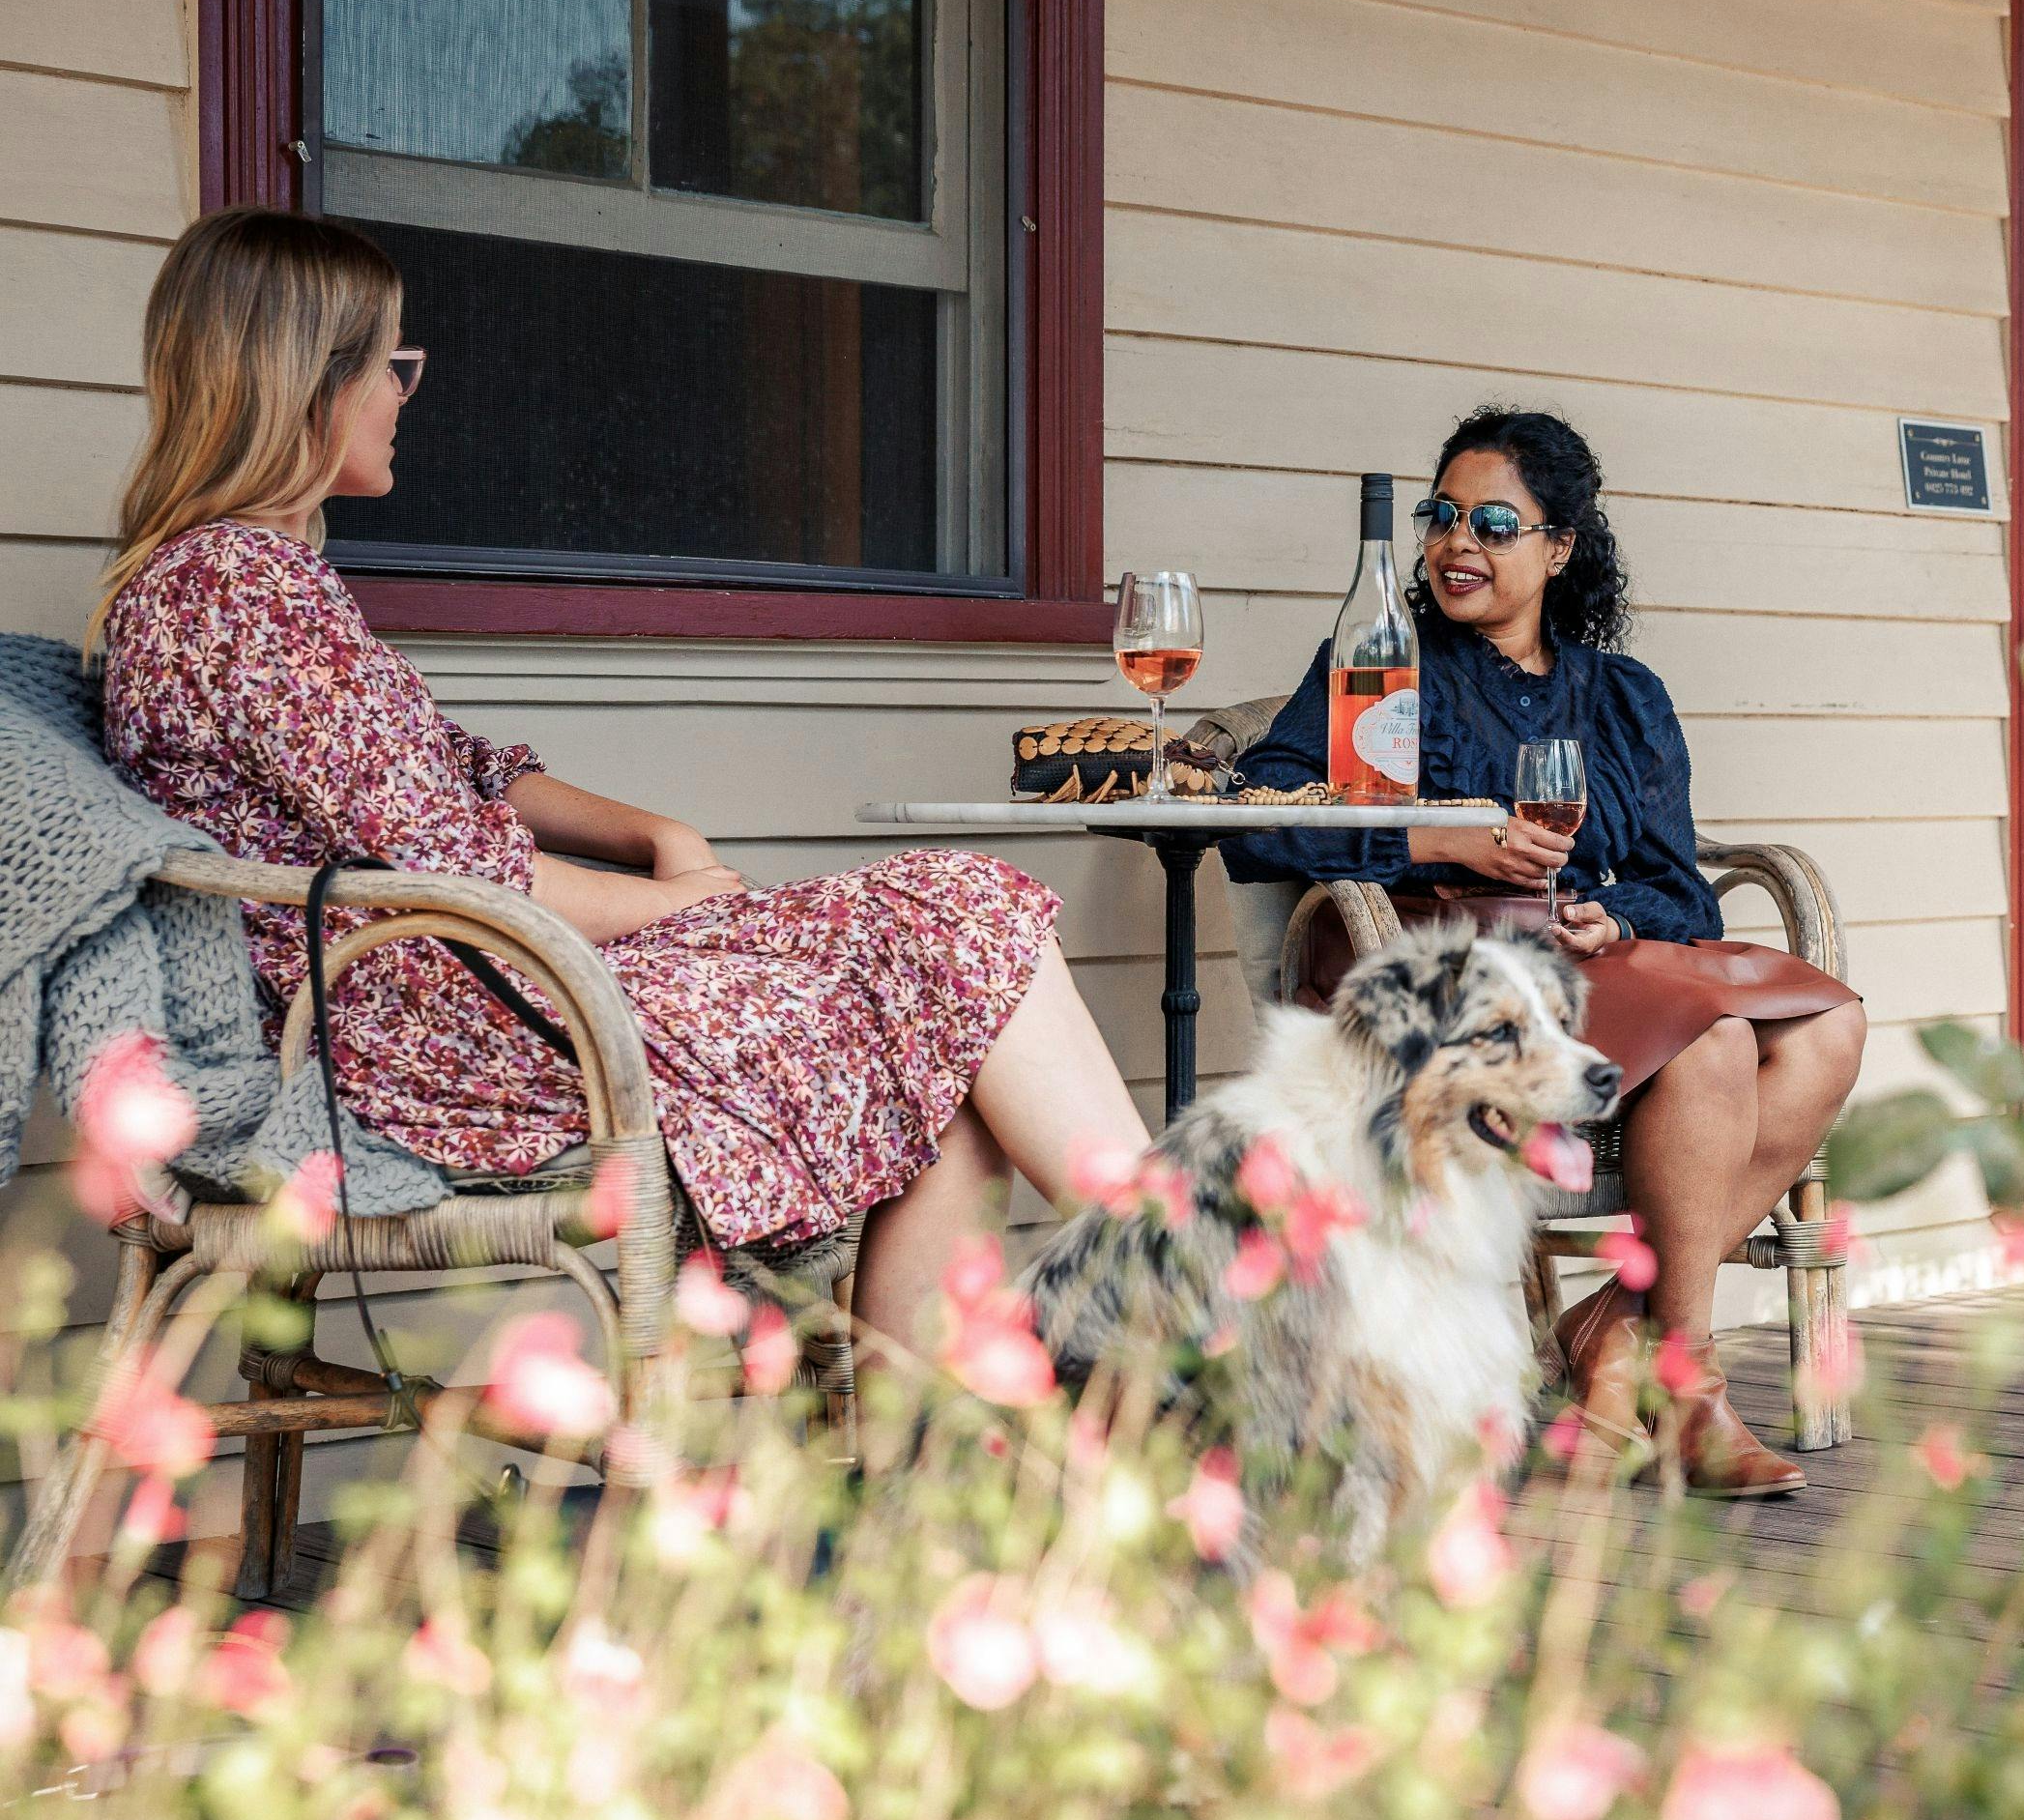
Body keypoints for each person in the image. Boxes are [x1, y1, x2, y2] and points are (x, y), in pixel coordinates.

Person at [93, 207, 1147, 1357]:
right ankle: (1187, 1293)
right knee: (962, 927)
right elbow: (454, 863)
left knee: (949, 1006)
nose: (405, 391)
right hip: (436, 1035)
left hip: (457, 990)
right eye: (392, 363)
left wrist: (655, 831)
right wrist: (669, 902)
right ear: (309, 382)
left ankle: (952, 1436)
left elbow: (456, 768)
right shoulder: (237, 590)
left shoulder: (239, 580)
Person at [1229, 408, 1865, 1497]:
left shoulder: (1623, 696)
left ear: (1559, 547)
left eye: (1492, 523)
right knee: (1715, 1041)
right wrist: (1435, 837)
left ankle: (1619, 1333)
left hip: (1590, 964)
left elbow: (1677, 888)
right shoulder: (1385, 661)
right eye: (1441, 516)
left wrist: (1612, 915)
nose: (1455, 543)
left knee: (1829, 1026)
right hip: (1450, 972)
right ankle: (1686, 1384)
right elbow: (1257, 816)